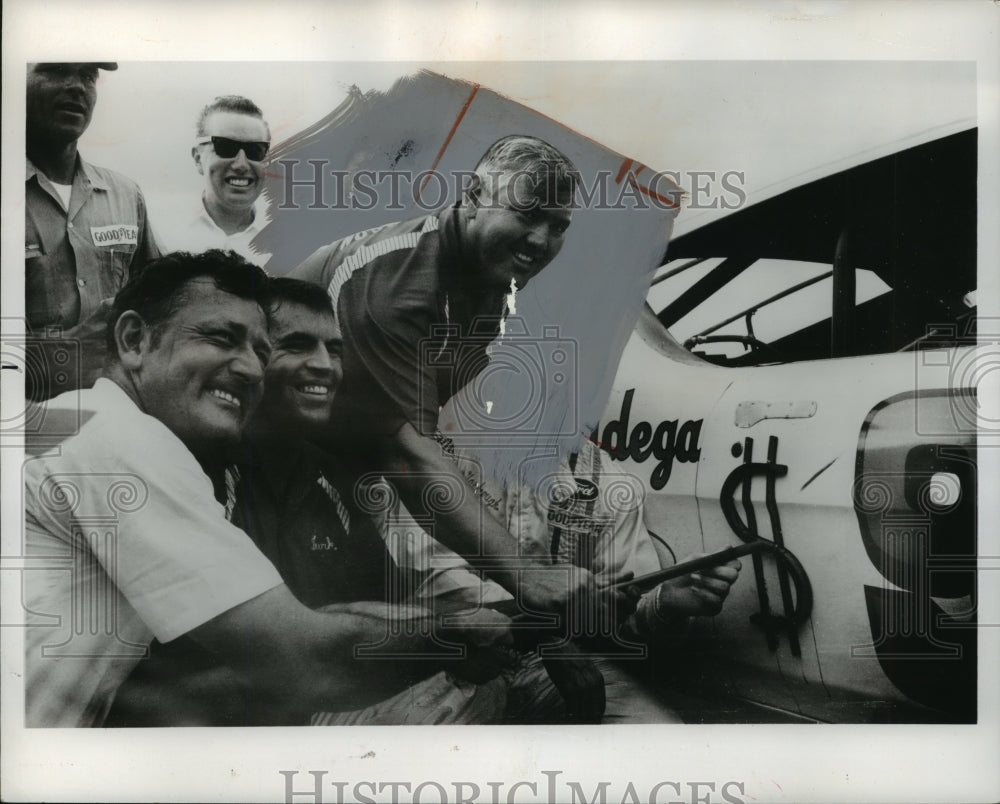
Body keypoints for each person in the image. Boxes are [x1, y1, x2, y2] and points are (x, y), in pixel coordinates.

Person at [23, 251, 513, 728]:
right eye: (221, 338)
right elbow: (303, 659)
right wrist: (452, 633)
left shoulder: (90, 422)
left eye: (260, 350)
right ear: (134, 340)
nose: (251, 369)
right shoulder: (120, 437)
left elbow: (311, 621)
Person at [290, 134, 626, 626]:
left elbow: (410, 446)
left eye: (558, 226)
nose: (541, 241)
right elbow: (407, 457)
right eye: (527, 214)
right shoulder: (395, 285)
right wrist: (526, 577)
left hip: (337, 470)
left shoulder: (489, 276)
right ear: (472, 197)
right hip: (267, 473)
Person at [391, 438, 743, 723]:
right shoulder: (438, 450)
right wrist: (550, 633)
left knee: (660, 747)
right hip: (445, 661)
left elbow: (619, 612)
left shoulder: (604, 477)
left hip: (548, 671)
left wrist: (666, 602)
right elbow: (432, 587)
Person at [25, 62, 160, 399]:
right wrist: (65, 355)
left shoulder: (126, 194)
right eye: (55, 70)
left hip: (119, 414)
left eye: (88, 76)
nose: (76, 87)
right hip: (25, 428)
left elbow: (162, 300)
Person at [163, 95, 271, 265]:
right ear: (198, 159)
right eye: (226, 147)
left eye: (255, 150)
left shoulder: (290, 240)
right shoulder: (163, 236)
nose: (241, 165)